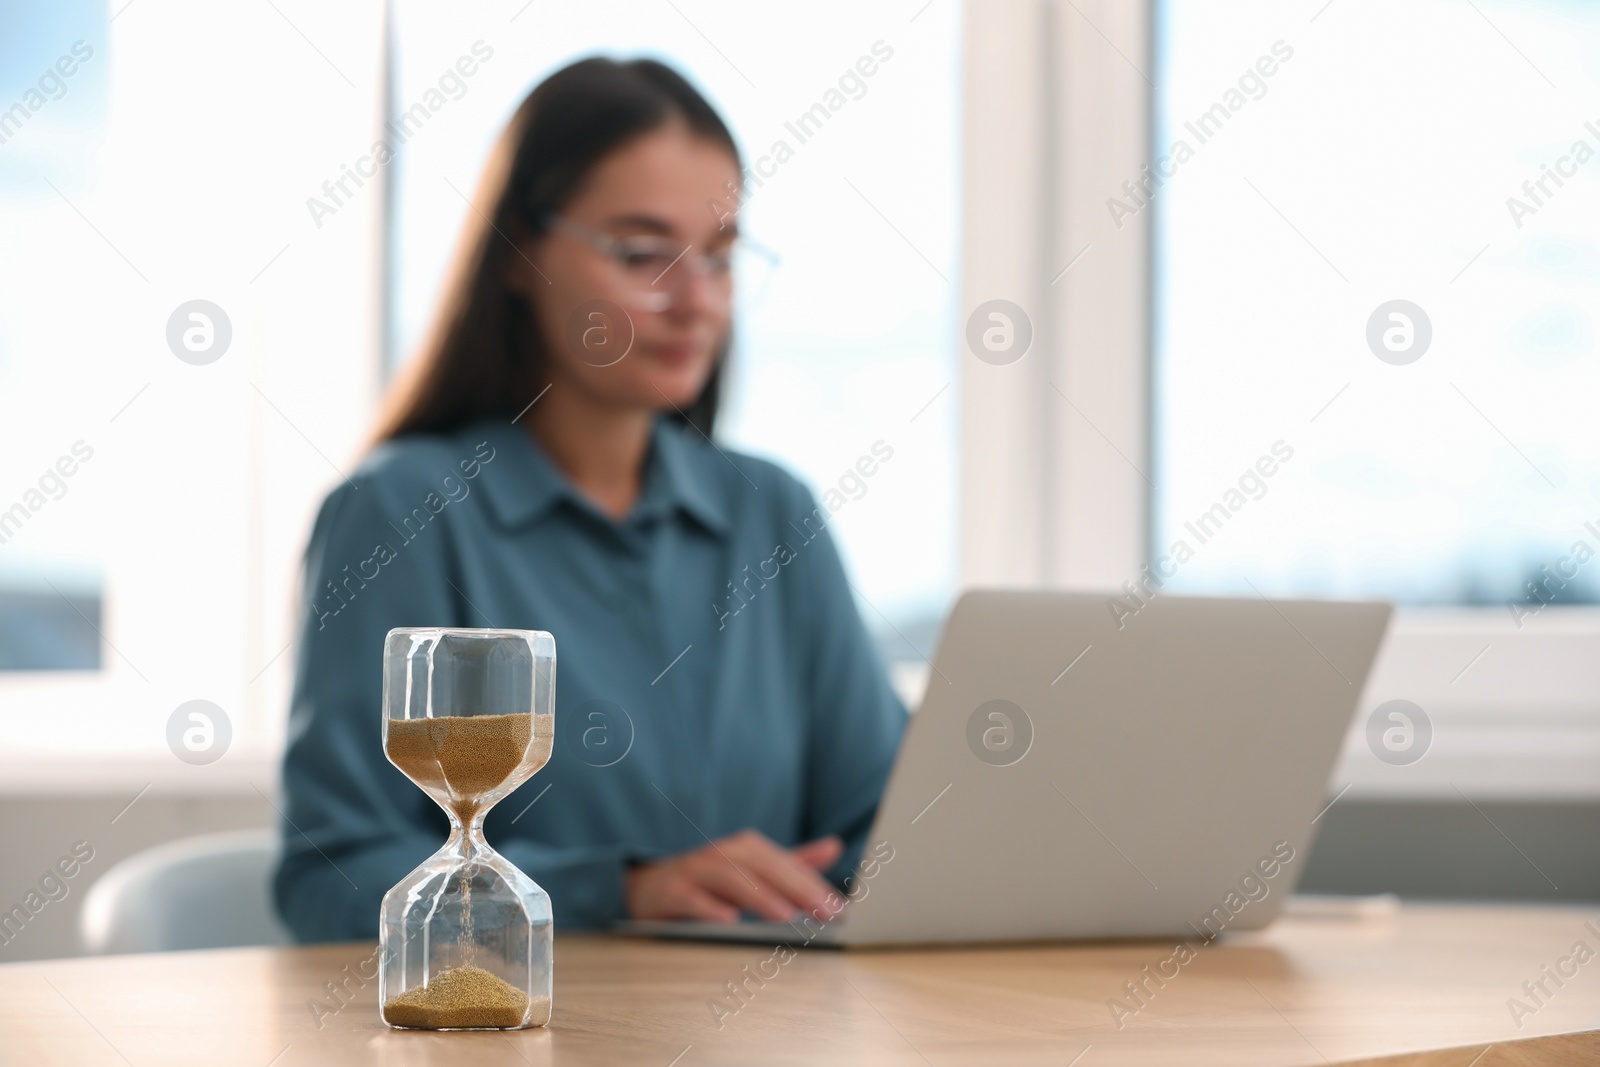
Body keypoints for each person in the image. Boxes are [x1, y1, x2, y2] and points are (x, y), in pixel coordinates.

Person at [271, 57, 907, 939]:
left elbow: (889, 825)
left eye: (721, 258)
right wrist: (621, 889)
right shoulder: (402, 513)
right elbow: (329, 877)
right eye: (644, 253)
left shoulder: (775, 513)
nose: (696, 301)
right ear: (519, 254)